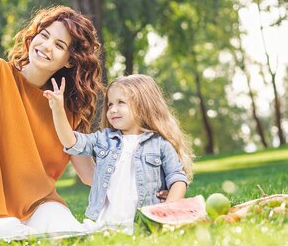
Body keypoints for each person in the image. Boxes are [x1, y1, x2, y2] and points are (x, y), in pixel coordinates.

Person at [0, 0, 102, 242]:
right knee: (3, 233)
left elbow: (89, 175)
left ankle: (40, 236)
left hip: (43, 206)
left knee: (71, 234)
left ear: (70, 61)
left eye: (59, 45)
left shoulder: (67, 110)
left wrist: (140, 173)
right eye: (44, 35)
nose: (46, 46)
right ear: (33, 36)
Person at [43, 74, 194, 234]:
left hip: (143, 226)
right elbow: (71, 141)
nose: (112, 109)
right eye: (110, 105)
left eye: (121, 103)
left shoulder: (160, 144)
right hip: (106, 226)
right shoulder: (104, 139)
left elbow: (177, 179)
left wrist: (166, 210)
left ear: (144, 105)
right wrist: (58, 110)